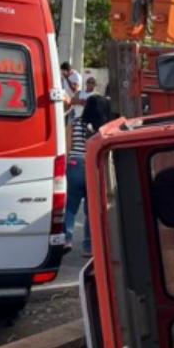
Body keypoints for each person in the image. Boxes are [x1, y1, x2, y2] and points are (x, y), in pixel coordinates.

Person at [64, 94, 111, 258]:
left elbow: (67, 148)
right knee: (91, 210)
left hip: (75, 165)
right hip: (94, 166)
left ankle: (67, 239)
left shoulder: (75, 123)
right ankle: (88, 246)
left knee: (70, 207)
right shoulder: (104, 128)